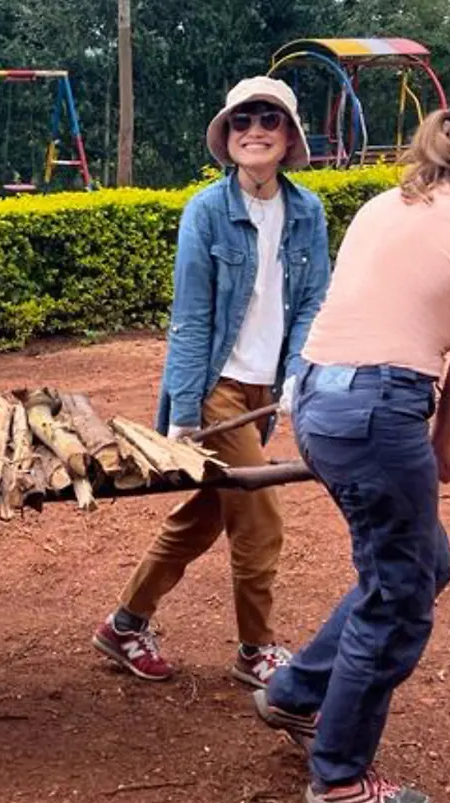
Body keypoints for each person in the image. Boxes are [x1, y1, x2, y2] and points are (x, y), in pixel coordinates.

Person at [249, 82, 450, 803]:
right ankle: (338, 776)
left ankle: (295, 692)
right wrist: (443, 444)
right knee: (400, 600)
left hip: (316, 401)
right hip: (377, 414)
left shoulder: (386, 204)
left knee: (421, 562)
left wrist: (423, 437)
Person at [90, 76, 332, 690]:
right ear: (227, 135)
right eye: (242, 119)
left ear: (289, 137)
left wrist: (299, 373)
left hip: (263, 393)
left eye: (270, 119)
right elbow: (192, 315)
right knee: (260, 515)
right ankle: (256, 650)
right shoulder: (206, 211)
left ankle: (124, 624)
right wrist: (183, 410)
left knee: (206, 513)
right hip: (216, 388)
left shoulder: (308, 212)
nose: (255, 129)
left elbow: (313, 302)